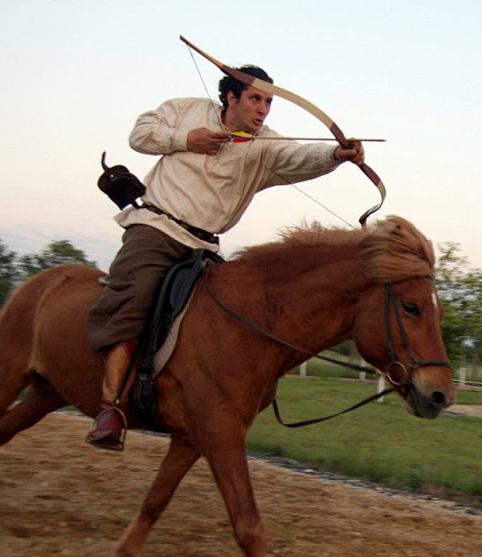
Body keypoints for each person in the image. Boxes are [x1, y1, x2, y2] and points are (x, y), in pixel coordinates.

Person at [86, 66, 365, 450]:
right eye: (255, 98)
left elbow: (300, 156)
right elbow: (140, 134)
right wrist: (187, 139)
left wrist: (337, 153)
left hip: (205, 248)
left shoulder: (264, 145)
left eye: (269, 101)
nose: (264, 109)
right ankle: (111, 408)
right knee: (132, 299)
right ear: (231, 97)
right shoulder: (187, 111)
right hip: (156, 230)